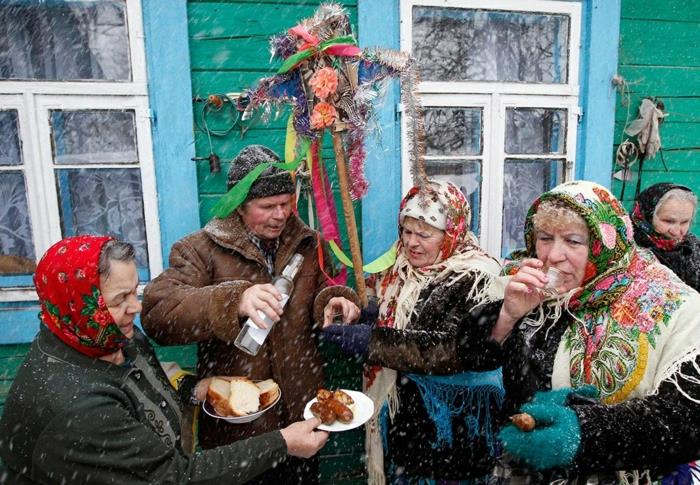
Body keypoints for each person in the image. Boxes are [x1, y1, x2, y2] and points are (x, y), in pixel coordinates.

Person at [0, 236, 329, 484]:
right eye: (120, 299)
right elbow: (177, 477)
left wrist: (195, 388)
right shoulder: (77, 406)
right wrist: (283, 443)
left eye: (134, 291)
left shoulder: (109, 335)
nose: (136, 307)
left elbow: (147, 386)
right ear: (77, 307)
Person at [141, 145, 359, 484]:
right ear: (241, 207)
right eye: (267, 206)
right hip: (240, 432)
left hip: (301, 417)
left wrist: (334, 301)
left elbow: (322, 289)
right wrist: (234, 301)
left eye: (287, 203)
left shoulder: (307, 242)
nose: (280, 214)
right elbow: (158, 313)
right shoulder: (199, 250)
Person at [458, 181, 700, 483]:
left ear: (605, 244)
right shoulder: (531, 285)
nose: (553, 255)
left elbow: (687, 420)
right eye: (545, 238)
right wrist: (507, 315)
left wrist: (583, 430)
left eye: (573, 241)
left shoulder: (672, 305)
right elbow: (471, 357)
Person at [322, 180, 506, 483]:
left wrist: (372, 341)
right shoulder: (401, 268)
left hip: (452, 428)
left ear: (451, 234)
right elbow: (375, 296)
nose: (412, 243)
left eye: (425, 234)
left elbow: (446, 350)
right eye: (407, 232)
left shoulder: (476, 278)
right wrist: (356, 307)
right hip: (406, 425)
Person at [631, 182, 699, 291]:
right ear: (646, 216)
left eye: (685, 222)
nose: (676, 231)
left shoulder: (692, 247)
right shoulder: (627, 247)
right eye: (668, 221)